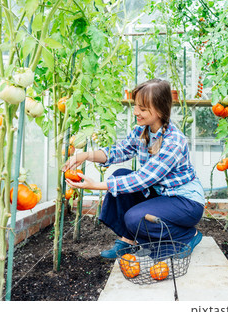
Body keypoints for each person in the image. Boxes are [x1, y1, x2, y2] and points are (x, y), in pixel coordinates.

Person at [62, 79, 205, 259]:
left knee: (135, 218)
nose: (136, 112)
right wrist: (85, 156)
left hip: (185, 203)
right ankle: (127, 241)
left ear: (160, 111)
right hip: (161, 194)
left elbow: (144, 179)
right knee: (120, 175)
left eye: (143, 109)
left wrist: (97, 185)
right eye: (136, 106)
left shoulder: (174, 141)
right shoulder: (141, 131)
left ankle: (185, 237)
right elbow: (117, 152)